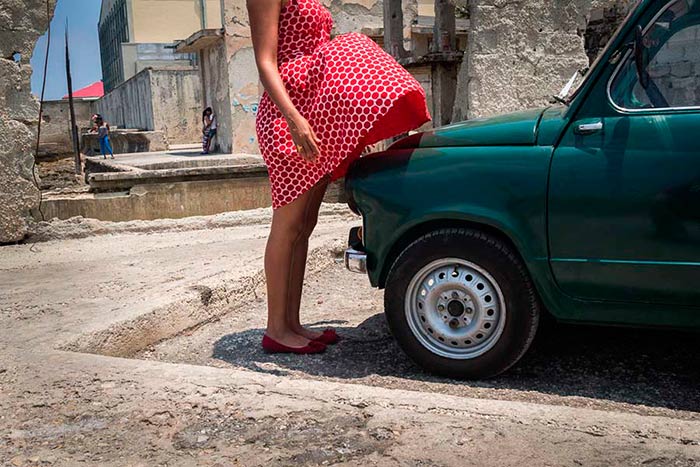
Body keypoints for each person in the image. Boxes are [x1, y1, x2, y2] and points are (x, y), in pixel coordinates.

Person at [248, 0, 430, 354]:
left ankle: (292, 323)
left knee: (304, 225)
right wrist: (294, 118)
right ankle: (276, 329)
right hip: (288, 119)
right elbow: (265, 62)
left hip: (315, 111)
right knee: (287, 225)